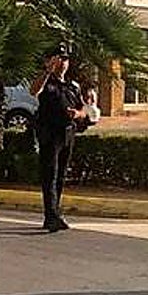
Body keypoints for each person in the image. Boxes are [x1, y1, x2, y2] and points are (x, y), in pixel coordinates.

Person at [30, 52, 86, 232]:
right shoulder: (47, 82)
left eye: (65, 59)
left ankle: (55, 212)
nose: (62, 63)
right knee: (50, 175)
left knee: (61, 175)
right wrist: (48, 71)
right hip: (50, 134)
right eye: (58, 59)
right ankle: (51, 216)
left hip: (68, 133)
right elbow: (34, 91)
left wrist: (77, 114)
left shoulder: (73, 86)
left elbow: (82, 108)